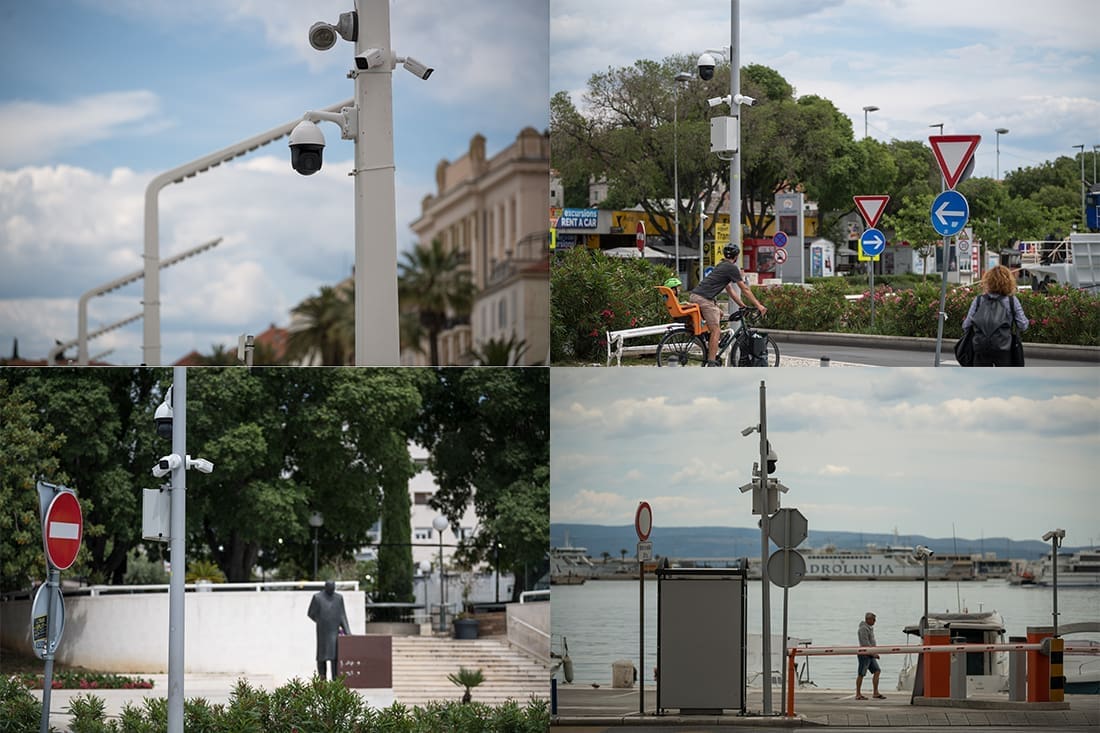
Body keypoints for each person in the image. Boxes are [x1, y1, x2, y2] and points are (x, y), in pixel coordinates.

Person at [688, 244, 767, 366]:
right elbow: (745, 289)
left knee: (719, 313)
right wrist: (759, 305)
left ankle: (707, 341)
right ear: (736, 257)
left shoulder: (721, 265)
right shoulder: (731, 268)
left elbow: (730, 290)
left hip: (695, 296)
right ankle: (711, 362)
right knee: (716, 330)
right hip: (704, 299)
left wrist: (742, 305)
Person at [961, 264, 1028, 367]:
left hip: (981, 348)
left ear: (988, 281)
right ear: (1009, 282)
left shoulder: (979, 300)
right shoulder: (1011, 301)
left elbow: (966, 325)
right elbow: (1023, 325)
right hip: (1003, 348)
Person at [307, 580, 351, 680]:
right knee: (321, 656)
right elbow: (311, 613)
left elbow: (342, 615)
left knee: (335, 657)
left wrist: (347, 631)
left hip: (334, 631)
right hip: (322, 631)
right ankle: (322, 679)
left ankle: (335, 680)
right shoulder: (317, 597)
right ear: (326, 587)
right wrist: (321, 620)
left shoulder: (338, 598)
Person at [855, 611, 885, 700]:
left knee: (877, 671)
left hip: (871, 654)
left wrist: (874, 652)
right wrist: (873, 653)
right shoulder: (863, 629)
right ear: (868, 619)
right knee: (861, 674)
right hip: (864, 654)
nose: (875, 621)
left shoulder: (869, 628)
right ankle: (858, 694)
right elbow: (865, 643)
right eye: (873, 619)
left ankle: (875, 692)